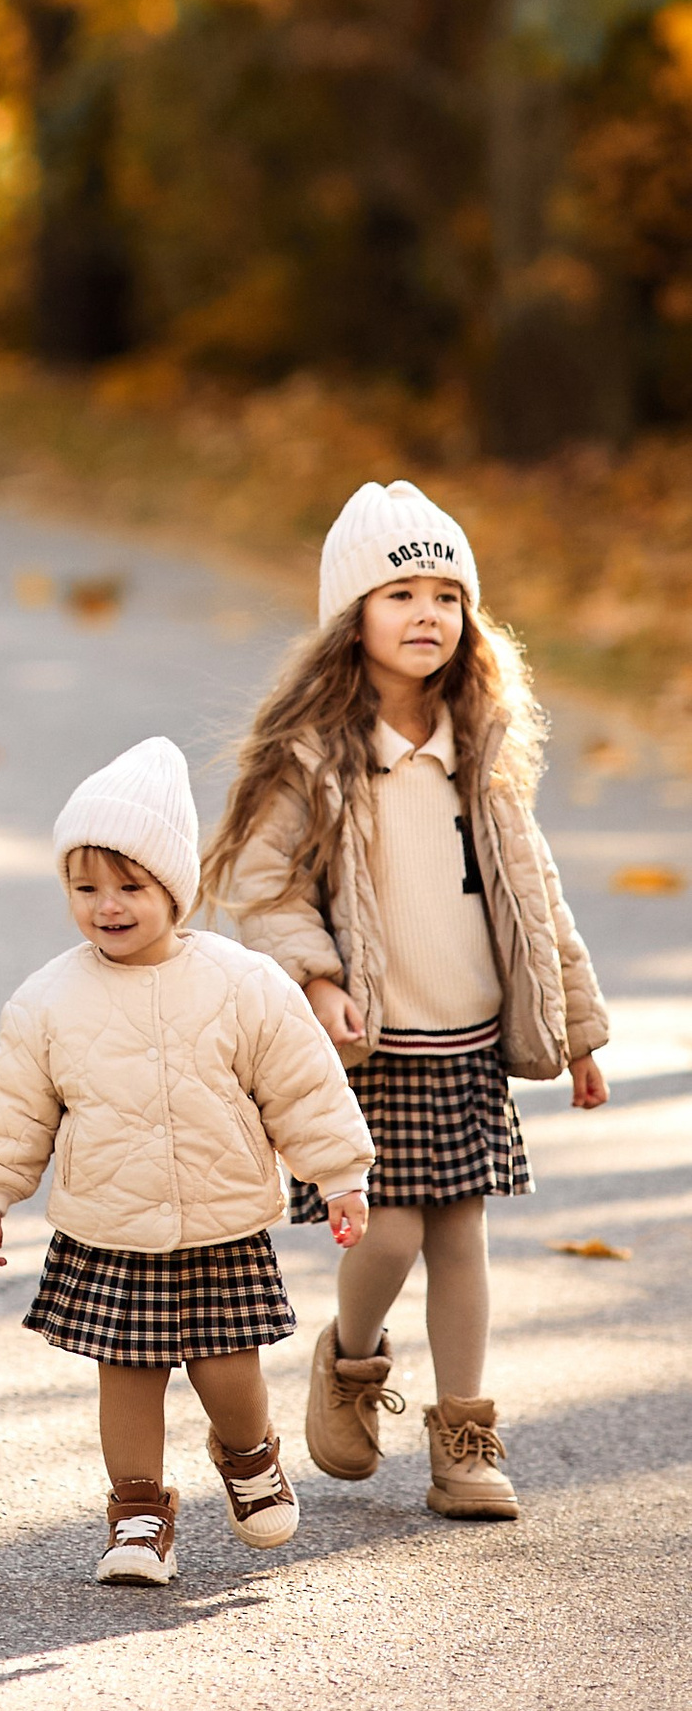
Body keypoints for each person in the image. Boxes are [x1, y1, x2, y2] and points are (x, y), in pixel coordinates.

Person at [205, 480, 611, 1522]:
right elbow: (262, 885)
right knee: (384, 1239)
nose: (427, 613)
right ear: (352, 618)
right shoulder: (320, 756)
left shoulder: (480, 748)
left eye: (446, 594)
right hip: (373, 1045)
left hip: (470, 1042)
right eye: (400, 595)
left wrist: (578, 1031)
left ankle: (466, 1440)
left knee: (460, 1238)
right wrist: (319, 976)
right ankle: (346, 1362)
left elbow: (536, 898)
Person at [0, 737, 377, 1586]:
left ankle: (249, 1456)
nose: (107, 906)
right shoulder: (49, 998)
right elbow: (15, 1106)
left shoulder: (243, 982)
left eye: (130, 887)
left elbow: (301, 1084)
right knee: (130, 1373)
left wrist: (339, 1174)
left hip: (219, 1223)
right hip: (110, 1227)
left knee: (229, 1370)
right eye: (86, 888)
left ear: (174, 890)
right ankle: (139, 1512)